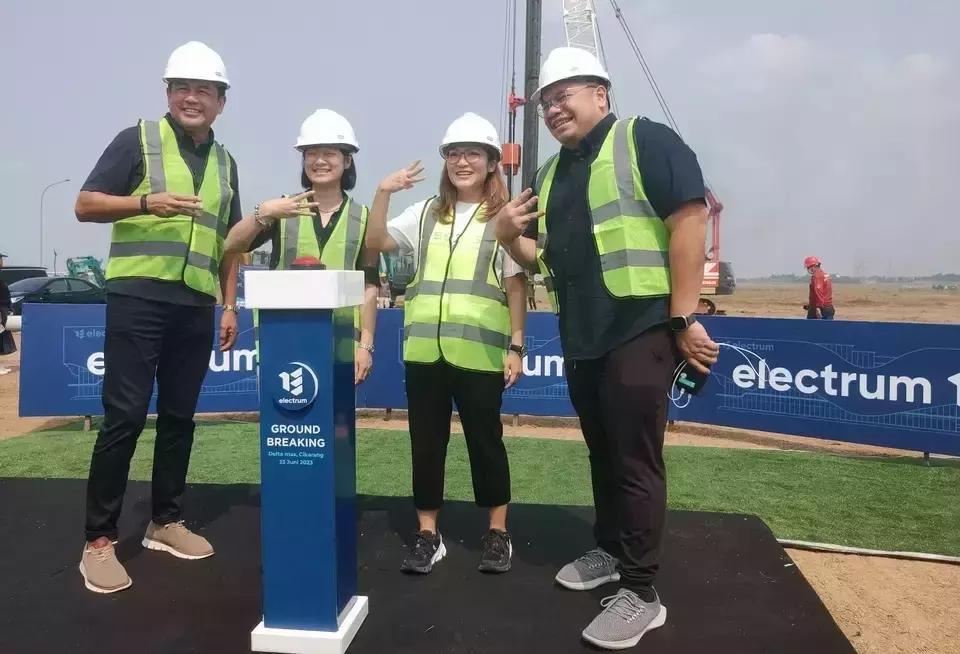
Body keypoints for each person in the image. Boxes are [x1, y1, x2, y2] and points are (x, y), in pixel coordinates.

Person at [493, 47, 720, 649]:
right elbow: (538, 261)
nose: (552, 107)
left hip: (641, 329)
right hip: (583, 337)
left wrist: (683, 318)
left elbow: (691, 219)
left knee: (635, 461)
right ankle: (613, 553)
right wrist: (505, 235)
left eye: (565, 93)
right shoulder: (548, 175)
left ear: (602, 93)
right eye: (546, 100)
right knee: (602, 454)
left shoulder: (646, 140)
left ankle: (643, 592)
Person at [73, 41, 295, 595]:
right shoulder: (137, 140)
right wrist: (147, 203)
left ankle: (164, 521)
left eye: (205, 91)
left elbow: (229, 244)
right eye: (182, 89)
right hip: (138, 299)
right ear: (168, 94)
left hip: (196, 305)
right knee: (123, 418)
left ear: (222, 102)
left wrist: (228, 304)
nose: (192, 98)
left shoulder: (225, 162)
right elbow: (85, 204)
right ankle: (98, 541)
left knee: (179, 417)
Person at [365, 112, 527, 575]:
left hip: (479, 353)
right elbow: (376, 240)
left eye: (472, 153)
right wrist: (382, 192)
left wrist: (516, 347)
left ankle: (497, 533)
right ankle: (427, 535)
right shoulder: (424, 213)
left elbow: (515, 286)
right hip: (424, 353)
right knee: (426, 444)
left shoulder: (503, 217)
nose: (462, 161)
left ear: (492, 162)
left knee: (486, 444)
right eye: (454, 153)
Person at [223, 109, 380, 384]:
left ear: (347, 160)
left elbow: (370, 285)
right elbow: (231, 244)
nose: (319, 161)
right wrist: (263, 212)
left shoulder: (364, 217)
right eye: (311, 153)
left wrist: (365, 345)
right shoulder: (281, 209)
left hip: (340, 339)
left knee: (333, 421)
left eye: (329, 153)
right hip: (283, 337)